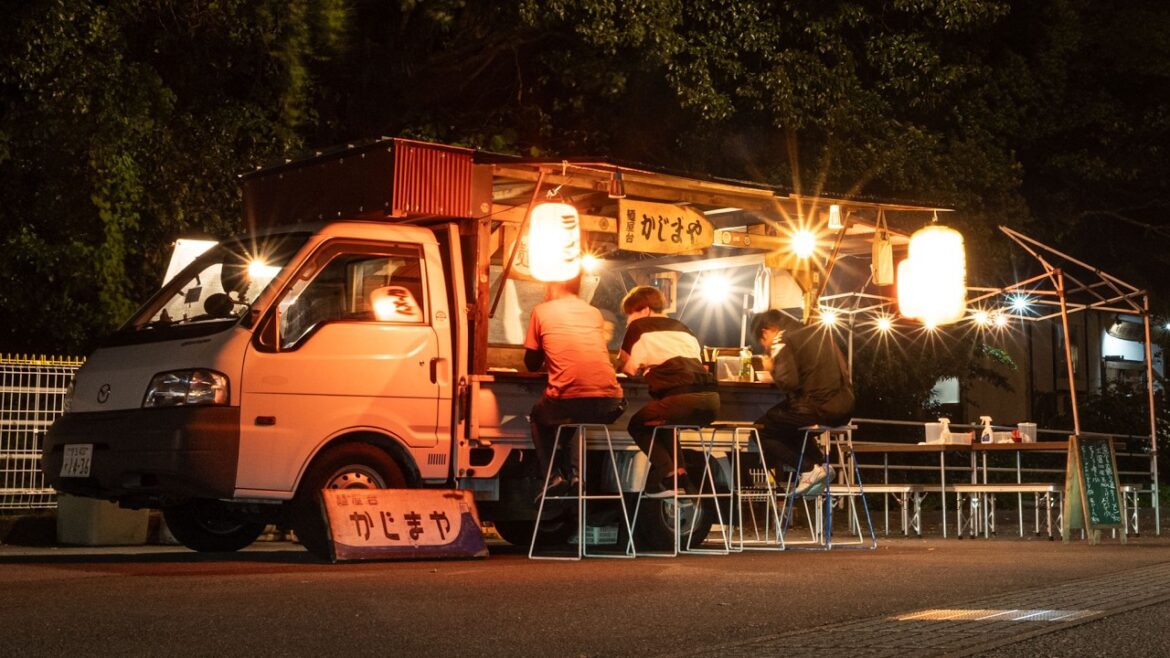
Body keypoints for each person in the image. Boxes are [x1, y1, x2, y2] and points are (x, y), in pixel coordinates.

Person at [525, 275, 626, 500]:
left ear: (556, 283)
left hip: (569, 399)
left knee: (539, 417)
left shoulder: (542, 311)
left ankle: (552, 477)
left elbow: (530, 364)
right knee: (572, 419)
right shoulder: (593, 312)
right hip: (611, 401)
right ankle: (575, 476)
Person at [618, 286, 719, 497]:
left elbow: (627, 368)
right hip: (711, 401)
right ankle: (680, 476)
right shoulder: (684, 328)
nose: (629, 320)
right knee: (664, 423)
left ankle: (667, 471)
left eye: (631, 313)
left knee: (637, 425)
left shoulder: (639, 327)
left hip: (680, 400)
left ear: (644, 310)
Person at [751, 309, 854, 496]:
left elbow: (788, 381)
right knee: (789, 426)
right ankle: (819, 464)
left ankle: (808, 469)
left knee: (759, 430)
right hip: (845, 407)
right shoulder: (819, 332)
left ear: (766, 332)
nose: (766, 346)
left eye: (763, 342)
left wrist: (771, 367)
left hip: (817, 407)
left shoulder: (781, 339)